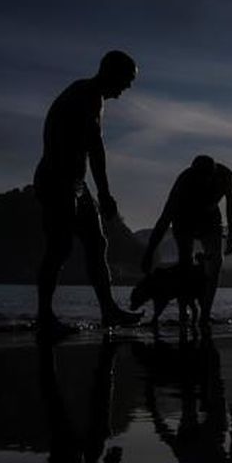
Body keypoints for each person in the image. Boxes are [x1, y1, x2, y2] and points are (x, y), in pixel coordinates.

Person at [34, 50, 143, 337]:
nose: (128, 87)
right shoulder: (87, 95)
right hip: (58, 180)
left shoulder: (90, 95)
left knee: (97, 244)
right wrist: (105, 193)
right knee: (59, 249)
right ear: (112, 73)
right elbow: (95, 149)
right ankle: (44, 317)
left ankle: (109, 311)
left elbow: (89, 149)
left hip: (75, 184)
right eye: (127, 80)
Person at [141, 155, 232, 331]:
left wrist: (231, 235)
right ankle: (183, 312)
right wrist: (149, 251)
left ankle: (205, 315)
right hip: (183, 219)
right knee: (185, 263)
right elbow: (164, 220)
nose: (200, 181)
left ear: (213, 174)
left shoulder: (225, 177)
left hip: (210, 219)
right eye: (197, 177)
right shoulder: (183, 183)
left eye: (204, 177)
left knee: (216, 263)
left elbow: (231, 203)